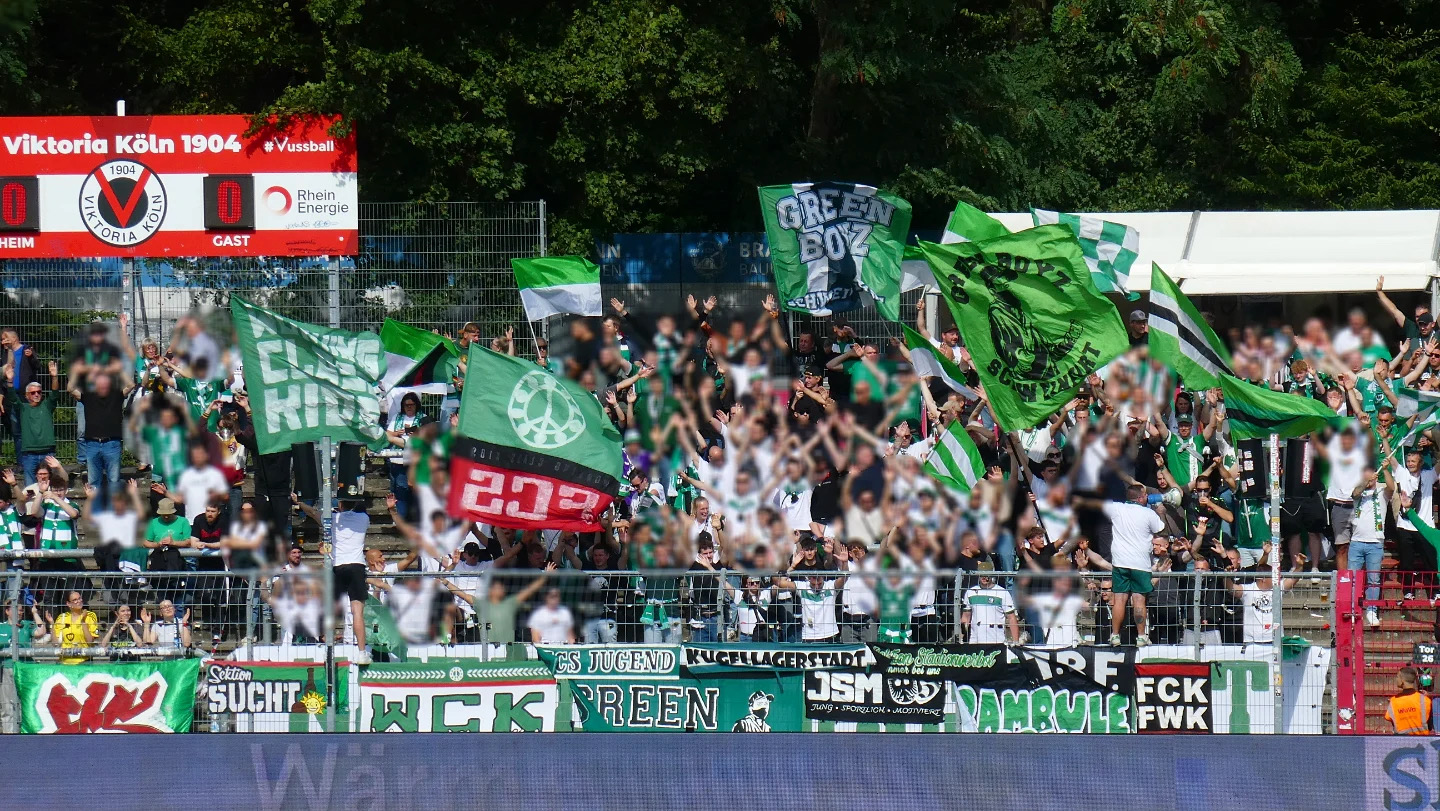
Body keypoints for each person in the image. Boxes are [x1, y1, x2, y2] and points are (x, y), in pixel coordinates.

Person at [1076, 485, 1166, 646]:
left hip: (1120, 562)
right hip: (1141, 563)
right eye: (1145, 495)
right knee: (1139, 600)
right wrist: (1160, 511)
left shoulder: (1116, 508)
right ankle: (1141, 636)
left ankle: (1115, 635)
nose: (1147, 497)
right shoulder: (1148, 513)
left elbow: (1097, 503)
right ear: (1140, 497)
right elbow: (1160, 529)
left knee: (1119, 599)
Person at [295, 492, 372, 664]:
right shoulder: (363, 519)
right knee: (357, 612)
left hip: (338, 566)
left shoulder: (333, 519)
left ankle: (327, 648)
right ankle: (361, 652)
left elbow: (312, 512)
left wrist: (298, 501)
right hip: (356, 566)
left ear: (340, 505)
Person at [443, 562, 556, 645]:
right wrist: (446, 582)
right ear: (490, 591)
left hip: (508, 650)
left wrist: (545, 578)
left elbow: (529, 591)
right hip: (488, 650)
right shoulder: (482, 604)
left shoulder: (510, 603)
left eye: (501, 587)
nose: (500, 589)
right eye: (497, 587)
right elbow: (462, 594)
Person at [68, 363, 133, 506]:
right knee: (93, 482)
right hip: (92, 444)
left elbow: (131, 385)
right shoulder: (88, 397)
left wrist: (120, 370)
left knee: (114, 481)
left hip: (112, 444)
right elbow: (70, 389)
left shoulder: (117, 396)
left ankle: (113, 509)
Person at [8, 362, 60, 485]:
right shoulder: (23, 408)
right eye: (32, 393)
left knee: (50, 486)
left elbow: (54, 394)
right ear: (26, 396)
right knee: (30, 488)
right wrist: (10, 381)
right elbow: (13, 397)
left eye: (39, 392)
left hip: (48, 453)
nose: (36, 394)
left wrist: (54, 377)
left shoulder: (47, 406)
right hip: (29, 455)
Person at [960, 561, 1019, 644]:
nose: (984, 577)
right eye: (982, 575)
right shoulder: (971, 592)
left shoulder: (1002, 592)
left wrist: (1016, 642)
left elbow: (1011, 618)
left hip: (997, 641)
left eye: (987, 574)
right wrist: (960, 639)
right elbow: (966, 617)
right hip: (975, 641)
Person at [49, 591, 97, 664]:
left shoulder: (90, 616)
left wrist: (83, 621)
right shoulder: (62, 618)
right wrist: (52, 624)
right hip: (64, 662)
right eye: (75, 600)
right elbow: (55, 643)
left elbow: (90, 642)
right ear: (68, 604)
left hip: (83, 662)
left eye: (79, 598)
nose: (78, 601)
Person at [1387, 665, 1435, 736]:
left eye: (1397, 677)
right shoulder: (1425, 700)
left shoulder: (1394, 701)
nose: (1396, 679)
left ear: (1402, 680)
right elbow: (1430, 725)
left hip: (1400, 739)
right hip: (1422, 739)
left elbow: (1391, 720)